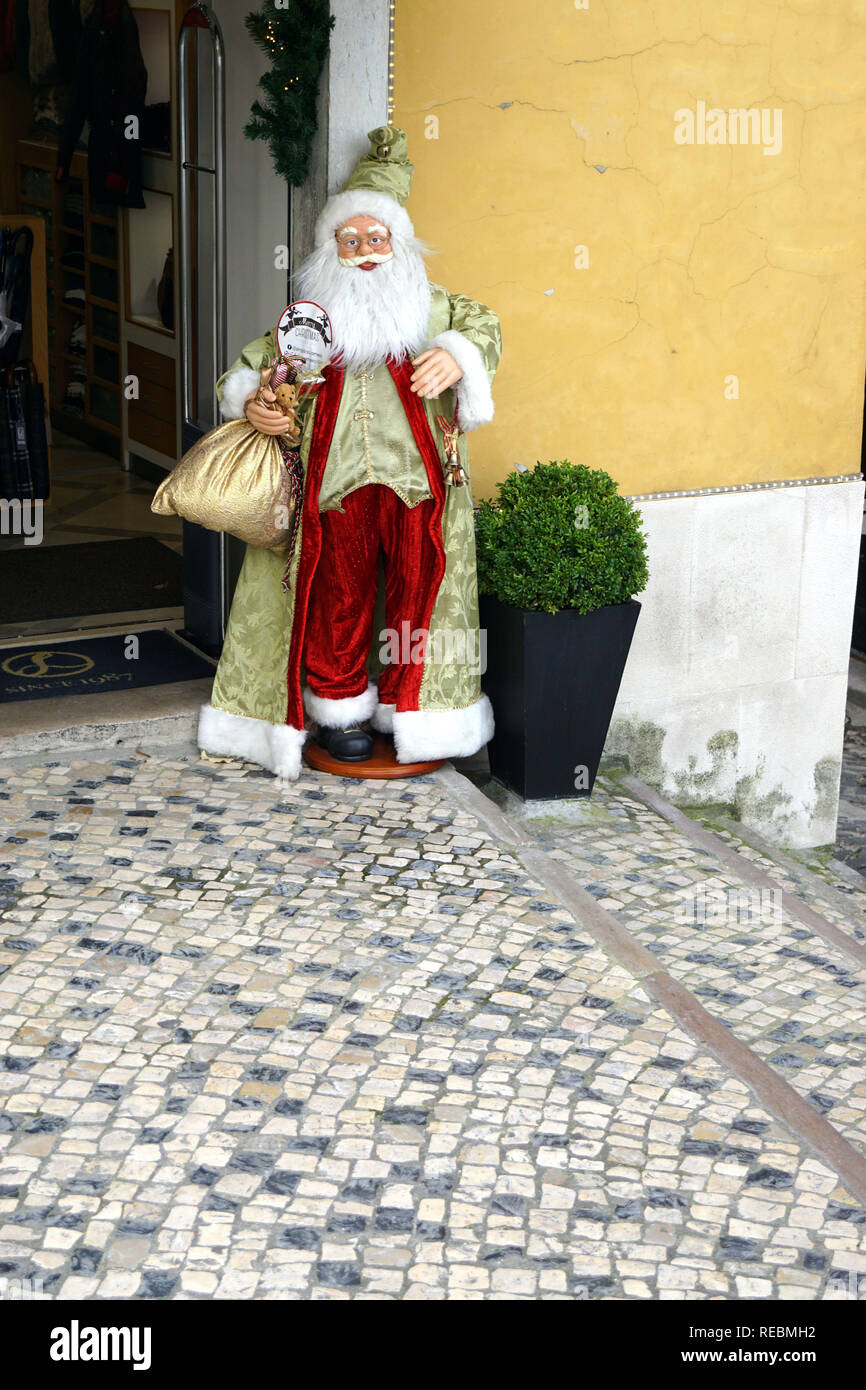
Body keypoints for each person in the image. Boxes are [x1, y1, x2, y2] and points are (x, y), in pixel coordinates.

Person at [198, 125, 501, 778]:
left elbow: (485, 327)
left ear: (399, 245)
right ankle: (340, 712)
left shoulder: (433, 307)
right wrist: (253, 397)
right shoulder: (311, 321)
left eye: (376, 239)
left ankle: (410, 708)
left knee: (422, 592)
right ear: (332, 250)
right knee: (338, 593)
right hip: (334, 487)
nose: (365, 252)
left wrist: (456, 357)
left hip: (419, 484)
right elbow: (251, 367)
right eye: (351, 240)